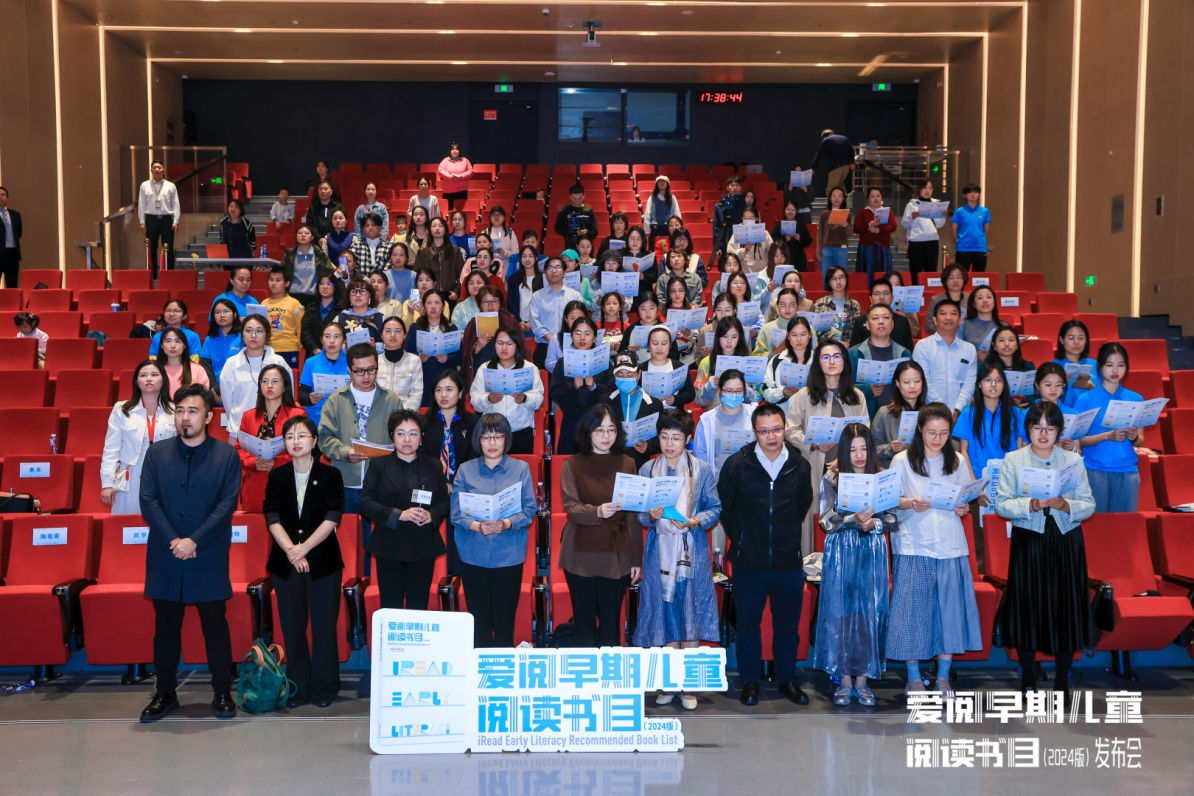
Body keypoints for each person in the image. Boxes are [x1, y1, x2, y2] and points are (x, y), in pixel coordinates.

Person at [137, 384, 241, 722]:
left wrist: (194, 541)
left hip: (207, 552)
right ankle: (164, 693)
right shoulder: (157, 453)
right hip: (166, 553)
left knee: (215, 626)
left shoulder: (226, 456)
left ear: (208, 417)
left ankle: (222, 692)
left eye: (193, 411)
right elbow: (148, 500)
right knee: (165, 628)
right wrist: (174, 540)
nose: (185, 417)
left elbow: (226, 504)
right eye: (180, 410)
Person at [995, 400, 1097, 700]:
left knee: (1066, 609)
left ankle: (1062, 683)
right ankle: (1027, 679)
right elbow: (1002, 504)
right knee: (1028, 608)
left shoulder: (1072, 460)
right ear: (1028, 429)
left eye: (1050, 429)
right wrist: (1031, 504)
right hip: (1030, 540)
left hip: (1066, 540)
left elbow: (1089, 504)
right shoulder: (1014, 459)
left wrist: (1066, 505)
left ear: (1058, 431)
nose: (1043, 434)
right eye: (1037, 428)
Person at [718, 403, 814, 707]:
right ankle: (750, 681)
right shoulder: (737, 464)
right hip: (749, 561)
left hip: (788, 561)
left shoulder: (799, 465)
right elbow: (726, 508)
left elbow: (802, 504)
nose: (771, 436)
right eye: (764, 431)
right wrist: (744, 537)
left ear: (784, 430)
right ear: (754, 432)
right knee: (748, 625)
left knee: (788, 626)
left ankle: (787, 679)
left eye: (776, 430)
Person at [888, 402, 983, 699]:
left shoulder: (956, 460)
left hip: (949, 544)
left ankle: (943, 676)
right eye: (931, 432)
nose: (937, 439)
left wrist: (963, 507)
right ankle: (913, 676)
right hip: (913, 543)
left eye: (943, 433)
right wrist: (909, 503)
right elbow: (888, 499)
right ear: (920, 430)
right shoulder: (902, 460)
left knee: (949, 613)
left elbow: (965, 498)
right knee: (912, 613)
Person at [633, 408, 722, 710]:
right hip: (658, 550)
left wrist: (695, 521)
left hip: (691, 550)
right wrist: (650, 515)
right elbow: (640, 516)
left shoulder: (701, 470)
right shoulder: (648, 470)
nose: (669, 444)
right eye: (664, 437)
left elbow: (715, 508)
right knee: (666, 614)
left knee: (690, 613)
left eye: (676, 438)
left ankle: (689, 686)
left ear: (687, 440)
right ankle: (670, 683)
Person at [262, 415, 344, 708]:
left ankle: (325, 687)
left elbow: (333, 516)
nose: (295, 441)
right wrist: (291, 551)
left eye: (301, 436)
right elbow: (271, 516)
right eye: (289, 437)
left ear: (314, 440)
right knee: (293, 628)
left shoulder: (330, 474)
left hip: (323, 562)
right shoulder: (277, 476)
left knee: (323, 627)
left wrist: (304, 549)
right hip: (286, 564)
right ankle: (297, 686)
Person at [814, 423, 893, 706]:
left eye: (864, 449)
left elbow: (893, 519)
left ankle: (863, 680)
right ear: (844, 452)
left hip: (872, 550)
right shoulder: (833, 477)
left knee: (870, 613)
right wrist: (852, 520)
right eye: (853, 450)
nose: (859, 455)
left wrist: (874, 524)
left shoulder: (882, 477)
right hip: (841, 550)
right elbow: (825, 520)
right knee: (841, 613)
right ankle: (844, 680)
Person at [558, 404, 643, 646]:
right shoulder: (571, 464)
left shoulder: (628, 464)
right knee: (583, 621)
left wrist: (636, 559)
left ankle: (609, 668)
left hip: (616, 553)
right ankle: (586, 668)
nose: (606, 436)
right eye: (599, 430)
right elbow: (572, 508)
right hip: (580, 552)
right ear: (588, 432)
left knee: (611, 622)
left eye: (611, 429)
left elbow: (632, 515)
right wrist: (597, 511)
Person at [318, 342, 406, 572]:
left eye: (371, 370)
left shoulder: (391, 400)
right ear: (349, 370)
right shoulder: (336, 400)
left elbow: (402, 438)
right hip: (345, 482)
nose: (366, 376)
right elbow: (324, 439)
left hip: (380, 484)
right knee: (346, 544)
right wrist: (345, 452)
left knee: (377, 544)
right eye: (359, 371)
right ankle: (348, 583)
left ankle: (372, 584)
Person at [449, 414, 536, 647]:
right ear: (478, 440)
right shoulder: (465, 470)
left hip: (508, 555)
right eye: (486, 437)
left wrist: (505, 523)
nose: (492, 442)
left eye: (498, 436)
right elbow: (456, 515)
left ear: (506, 439)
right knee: (480, 624)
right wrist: (477, 526)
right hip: (473, 554)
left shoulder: (521, 469)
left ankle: (503, 666)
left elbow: (529, 509)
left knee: (505, 623)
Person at [786, 338, 870, 553]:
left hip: (849, 470)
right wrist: (813, 444)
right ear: (817, 363)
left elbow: (864, 432)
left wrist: (844, 460)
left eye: (836, 356)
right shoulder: (804, 396)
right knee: (814, 522)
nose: (831, 361)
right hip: (815, 468)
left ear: (844, 361)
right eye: (825, 357)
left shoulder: (857, 396)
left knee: (849, 522)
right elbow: (790, 430)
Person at [360, 410, 450, 609]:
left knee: (418, 606)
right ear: (392, 436)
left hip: (423, 545)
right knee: (390, 605)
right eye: (400, 433)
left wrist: (432, 515)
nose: (407, 439)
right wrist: (399, 515)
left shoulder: (434, 465)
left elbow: (444, 502)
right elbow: (366, 503)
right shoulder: (379, 465)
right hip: (389, 544)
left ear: (422, 436)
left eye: (413, 433)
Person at [1073, 342, 1145, 513]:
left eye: (1120, 365)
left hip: (1127, 471)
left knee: (1124, 525)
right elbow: (1078, 441)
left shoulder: (1135, 399)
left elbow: (1140, 441)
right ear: (1099, 366)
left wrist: (1134, 436)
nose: (1115, 370)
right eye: (1109, 365)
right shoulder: (1085, 399)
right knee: (1097, 526)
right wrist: (1107, 436)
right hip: (1094, 470)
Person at [100, 360, 177, 515]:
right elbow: (111, 449)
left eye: (154, 374)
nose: (149, 379)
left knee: (163, 523)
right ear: (136, 381)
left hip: (165, 475)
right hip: (131, 476)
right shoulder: (122, 409)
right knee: (128, 525)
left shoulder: (175, 410)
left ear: (163, 379)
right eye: (143, 375)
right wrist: (107, 483)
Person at [234, 364, 307, 513]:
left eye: (275, 381)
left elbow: (303, 450)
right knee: (255, 526)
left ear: (285, 386)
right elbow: (238, 449)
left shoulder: (297, 415)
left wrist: (276, 463)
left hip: (286, 481)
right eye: (265, 381)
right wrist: (254, 462)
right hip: (254, 482)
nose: (269, 385)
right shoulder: (248, 416)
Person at [469, 326, 544, 454]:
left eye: (509, 343)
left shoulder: (529, 368)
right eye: (500, 343)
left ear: (517, 345)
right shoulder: (484, 369)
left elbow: (538, 400)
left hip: (521, 432)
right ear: (494, 345)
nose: (504, 348)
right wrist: (488, 399)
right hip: (492, 433)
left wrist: (525, 398)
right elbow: (475, 401)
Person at [218, 314, 294, 435]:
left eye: (259, 331)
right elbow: (228, 403)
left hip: (275, 431)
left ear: (267, 335)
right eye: (248, 330)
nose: (253, 335)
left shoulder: (278, 362)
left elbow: (289, 397)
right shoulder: (232, 364)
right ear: (242, 334)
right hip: (239, 430)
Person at [549, 316, 612, 455]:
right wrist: (572, 387)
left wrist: (594, 387)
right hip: (571, 421)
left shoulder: (603, 362)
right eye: (577, 333)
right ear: (571, 336)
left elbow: (611, 390)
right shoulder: (563, 363)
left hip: (598, 421)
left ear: (595, 337)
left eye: (587, 333)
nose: (582, 338)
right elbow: (554, 392)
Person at [954, 363, 1025, 484]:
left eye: (998, 380)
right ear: (979, 384)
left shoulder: (1015, 413)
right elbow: (963, 451)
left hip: (1008, 480)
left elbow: (1019, 449)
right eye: (988, 380)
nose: (993, 384)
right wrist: (974, 483)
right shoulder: (968, 413)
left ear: (1004, 384)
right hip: (978, 479)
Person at [913, 298, 977, 418]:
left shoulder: (969, 349)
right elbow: (924, 381)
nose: (948, 317)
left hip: (961, 415)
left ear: (959, 320)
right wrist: (943, 412)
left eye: (953, 314)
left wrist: (957, 410)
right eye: (943, 313)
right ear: (935, 320)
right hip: (931, 413)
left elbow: (969, 383)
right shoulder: (923, 346)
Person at [848, 303, 911, 419]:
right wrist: (868, 389)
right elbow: (843, 387)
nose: (881, 322)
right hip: (866, 416)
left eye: (886, 317)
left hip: (897, 417)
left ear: (892, 324)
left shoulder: (904, 354)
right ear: (868, 325)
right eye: (875, 318)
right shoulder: (854, 354)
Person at [693, 367, 758, 478]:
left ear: (744, 391)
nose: (734, 395)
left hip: (749, 478)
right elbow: (700, 457)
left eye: (738, 391)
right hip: (717, 480)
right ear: (720, 391)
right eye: (729, 390)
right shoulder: (707, 420)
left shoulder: (754, 415)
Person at [605, 353, 663, 469]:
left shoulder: (653, 404)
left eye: (630, 374)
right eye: (620, 374)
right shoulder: (606, 401)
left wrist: (648, 447)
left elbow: (661, 437)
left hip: (640, 463)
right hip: (611, 462)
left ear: (638, 374)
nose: (625, 378)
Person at [406, 289, 460, 408]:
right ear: (424, 306)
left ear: (443, 306)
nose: (433, 306)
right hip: (422, 379)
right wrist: (418, 358)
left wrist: (447, 358)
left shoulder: (451, 329)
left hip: (446, 379)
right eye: (429, 303)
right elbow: (407, 355)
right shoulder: (415, 328)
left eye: (437, 303)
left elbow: (459, 356)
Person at [460, 286, 520, 387]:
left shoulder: (510, 322)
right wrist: (477, 347)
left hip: (507, 371)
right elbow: (465, 357)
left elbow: (521, 350)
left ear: (500, 303)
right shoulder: (473, 325)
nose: (490, 305)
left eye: (494, 301)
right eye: (486, 302)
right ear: (480, 305)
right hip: (480, 372)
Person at [530, 256, 583, 368]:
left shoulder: (575, 296)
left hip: (570, 346)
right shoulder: (537, 296)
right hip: (544, 346)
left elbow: (581, 322)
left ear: (564, 273)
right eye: (550, 267)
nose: (554, 271)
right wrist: (553, 340)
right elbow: (535, 323)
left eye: (558, 267)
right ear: (545, 273)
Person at [298, 320, 349, 428]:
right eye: (327, 337)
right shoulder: (311, 362)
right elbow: (302, 396)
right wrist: (309, 399)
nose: (331, 341)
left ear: (344, 340)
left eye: (336, 337)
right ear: (321, 340)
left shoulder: (351, 362)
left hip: (344, 417)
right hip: (317, 417)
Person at [693, 315, 751, 409]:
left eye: (734, 337)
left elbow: (757, 397)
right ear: (718, 337)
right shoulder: (707, 362)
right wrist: (710, 386)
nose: (729, 341)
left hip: (743, 413)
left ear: (740, 338)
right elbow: (698, 400)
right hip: (715, 413)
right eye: (724, 336)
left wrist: (743, 387)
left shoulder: (748, 363)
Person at [137, 160, 180, 277]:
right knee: (151, 248)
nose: (157, 169)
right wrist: (142, 221)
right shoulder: (144, 185)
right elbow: (141, 204)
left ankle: (169, 275)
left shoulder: (171, 186)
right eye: (154, 167)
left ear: (163, 170)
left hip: (167, 219)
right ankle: (153, 275)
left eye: (159, 167)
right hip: (151, 219)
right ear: (151, 170)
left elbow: (176, 204)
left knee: (168, 248)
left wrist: (176, 221)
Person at [762, 316, 816, 407]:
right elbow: (766, 394)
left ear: (809, 335)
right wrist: (782, 392)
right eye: (794, 335)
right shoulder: (777, 360)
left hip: (812, 411)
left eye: (803, 334)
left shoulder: (818, 360)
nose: (799, 339)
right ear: (788, 336)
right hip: (784, 412)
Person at [849, 276, 915, 350]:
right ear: (870, 299)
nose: (881, 297)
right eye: (877, 294)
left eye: (885, 293)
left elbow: (908, 351)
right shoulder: (860, 322)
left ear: (892, 298)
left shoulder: (902, 321)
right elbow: (854, 351)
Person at [639, 325, 695, 408]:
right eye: (655, 343)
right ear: (648, 345)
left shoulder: (680, 367)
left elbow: (690, 393)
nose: (659, 348)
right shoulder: (640, 369)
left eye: (664, 343)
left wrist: (676, 399)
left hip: (674, 413)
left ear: (670, 345)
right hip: (649, 413)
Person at [902, 178, 945, 283]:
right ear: (919, 189)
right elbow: (904, 224)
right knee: (915, 272)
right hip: (916, 242)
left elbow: (939, 225)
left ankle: (930, 292)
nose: (927, 191)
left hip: (932, 242)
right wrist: (912, 217)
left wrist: (942, 215)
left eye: (930, 188)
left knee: (931, 272)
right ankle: (916, 292)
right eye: (925, 188)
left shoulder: (936, 204)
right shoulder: (912, 204)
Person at [261, 266, 305, 369]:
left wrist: (297, 346)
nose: (273, 283)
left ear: (287, 283)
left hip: (289, 349)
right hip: (268, 350)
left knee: (288, 378)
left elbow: (301, 330)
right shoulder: (263, 303)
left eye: (278, 280)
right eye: (271, 279)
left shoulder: (295, 304)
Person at [376, 317, 423, 410]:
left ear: (404, 335)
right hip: (380, 413)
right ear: (382, 335)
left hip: (406, 415)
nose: (393, 335)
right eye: (388, 331)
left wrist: (402, 415)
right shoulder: (375, 362)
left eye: (398, 331)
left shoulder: (414, 360)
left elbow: (416, 394)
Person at [414, 217, 465, 302]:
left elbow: (462, 273)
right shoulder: (423, 251)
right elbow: (416, 274)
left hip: (449, 295)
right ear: (430, 230)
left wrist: (457, 291)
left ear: (445, 230)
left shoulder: (455, 251)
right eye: (434, 226)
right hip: (429, 295)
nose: (437, 228)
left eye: (440, 226)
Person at [281, 224, 332, 306]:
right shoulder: (289, 255)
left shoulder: (320, 255)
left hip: (314, 297)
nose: (303, 235)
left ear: (312, 237)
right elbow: (282, 275)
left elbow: (329, 273)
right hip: (292, 297)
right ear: (296, 236)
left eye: (306, 233)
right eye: (300, 233)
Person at [852, 188, 897, 281]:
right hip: (866, 248)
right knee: (867, 275)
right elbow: (856, 228)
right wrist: (869, 225)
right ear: (868, 199)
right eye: (872, 196)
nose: (876, 198)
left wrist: (879, 230)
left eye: (878, 196)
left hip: (883, 248)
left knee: (883, 275)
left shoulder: (888, 211)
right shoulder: (862, 212)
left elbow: (893, 226)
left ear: (881, 198)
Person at [987, 322, 1035, 408]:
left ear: (1017, 345)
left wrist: (1022, 399)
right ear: (994, 346)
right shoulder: (985, 367)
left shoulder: (1028, 366)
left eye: (1011, 340)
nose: (1006, 344)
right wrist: (1009, 401)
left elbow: (1034, 396)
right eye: (1001, 340)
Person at [1052, 319, 1098, 409]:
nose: (1076, 342)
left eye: (1081, 338)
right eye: (1071, 338)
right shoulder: (1052, 367)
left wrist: (1092, 388)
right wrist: (1065, 385)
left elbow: (1106, 395)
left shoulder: (1096, 365)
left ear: (1086, 340)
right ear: (1062, 340)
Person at [1032, 363, 1079, 452]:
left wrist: (1072, 448)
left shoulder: (1073, 414)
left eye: (1058, 385)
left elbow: (1078, 451)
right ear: (1037, 385)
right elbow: (1022, 447)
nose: (1053, 389)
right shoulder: (1026, 414)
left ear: (1064, 385)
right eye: (1048, 385)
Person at [813, 265, 862, 344]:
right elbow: (819, 331)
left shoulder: (855, 305)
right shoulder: (820, 304)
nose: (838, 281)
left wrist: (847, 344)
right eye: (834, 278)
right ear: (829, 282)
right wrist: (838, 344)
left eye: (841, 277)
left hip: (849, 347)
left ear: (846, 280)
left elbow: (857, 331)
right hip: (826, 346)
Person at [199, 299, 243, 385]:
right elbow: (207, 367)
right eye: (218, 312)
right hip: (215, 386)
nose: (222, 315)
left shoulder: (243, 338)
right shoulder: (209, 340)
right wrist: (214, 387)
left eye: (226, 311)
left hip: (239, 385)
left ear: (234, 315)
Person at [300, 274, 345, 357]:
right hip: (313, 354)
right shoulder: (311, 307)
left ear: (335, 287)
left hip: (336, 354)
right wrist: (315, 349)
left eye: (329, 284)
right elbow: (304, 332)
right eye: (322, 283)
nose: (325, 287)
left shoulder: (341, 309)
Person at [752, 287, 803, 359]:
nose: (787, 309)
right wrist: (773, 353)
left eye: (792, 305)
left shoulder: (807, 329)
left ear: (797, 306)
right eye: (783, 305)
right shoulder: (766, 329)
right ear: (777, 306)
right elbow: (756, 357)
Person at [156, 328, 209, 397]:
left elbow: (204, 396)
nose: (173, 346)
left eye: (177, 341)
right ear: (162, 345)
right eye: (168, 341)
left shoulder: (198, 369)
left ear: (184, 346)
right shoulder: (155, 369)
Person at [951, 183, 991, 272]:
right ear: (965, 195)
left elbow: (986, 229)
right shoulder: (959, 211)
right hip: (963, 248)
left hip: (980, 248)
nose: (973, 195)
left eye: (976, 192)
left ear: (979, 194)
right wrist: (958, 241)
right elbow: (954, 230)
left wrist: (980, 239)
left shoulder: (984, 211)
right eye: (970, 192)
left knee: (979, 276)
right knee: (962, 275)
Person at [335, 277, 385, 344]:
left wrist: (375, 347)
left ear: (370, 295)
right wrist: (345, 346)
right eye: (354, 292)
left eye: (362, 291)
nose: (358, 295)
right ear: (349, 296)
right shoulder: (339, 319)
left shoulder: (381, 318)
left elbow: (389, 345)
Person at [925, 264, 970, 334]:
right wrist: (946, 331)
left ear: (964, 280)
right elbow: (929, 325)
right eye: (951, 278)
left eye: (959, 277)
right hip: (944, 337)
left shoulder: (970, 298)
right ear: (945, 281)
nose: (955, 281)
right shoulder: (936, 300)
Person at [726, 207, 773, 275]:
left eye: (751, 218)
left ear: (756, 218)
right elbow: (730, 253)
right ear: (742, 218)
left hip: (761, 274)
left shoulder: (764, 233)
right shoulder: (738, 233)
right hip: (742, 274)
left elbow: (772, 252)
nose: (748, 221)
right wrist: (744, 250)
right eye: (745, 218)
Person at [816, 187, 851, 275]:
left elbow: (849, 233)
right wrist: (818, 251)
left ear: (843, 199)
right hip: (826, 249)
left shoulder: (847, 214)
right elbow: (820, 234)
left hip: (841, 249)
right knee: (826, 276)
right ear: (830, 198)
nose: (836, 199)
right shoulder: (824, 214)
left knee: (841, 275)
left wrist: (846, 225)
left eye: (839, 196)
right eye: (834, 196)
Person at [554, 183, 599, 250]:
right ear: (570, 197)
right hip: (570, 246)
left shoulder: (589, 211)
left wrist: (586, 233)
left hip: (586, 247)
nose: (577, 201)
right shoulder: (564, 211)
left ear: (583, 197)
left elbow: (595, 231)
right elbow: (558, 228)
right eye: (574, 199)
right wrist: (573, 232)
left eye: (580, 199)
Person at [811, 128, 854, 198]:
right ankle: (845, 202)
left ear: (824, 136)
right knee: (840, 185)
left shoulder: (826, 140)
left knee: (830, 189)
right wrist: (852, 162)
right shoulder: (844, 138)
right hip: (846, 167)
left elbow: (819, 155)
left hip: (836, 168)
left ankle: (830, 204)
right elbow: (851, 150)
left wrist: (813, 168)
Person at [771, 200, 813, 271]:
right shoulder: (779, 226)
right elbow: (773, 241)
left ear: (796, 211)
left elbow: (808, 241)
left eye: (793, 209)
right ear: (784, 211)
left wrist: (799, 238)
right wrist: (784, 240)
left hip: (799, 258)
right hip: (783, 257)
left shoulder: (801, 225)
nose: (790, 212)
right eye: (788, 209)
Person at [349, 213, 393, 278]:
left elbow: (389, 270)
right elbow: (352, 268)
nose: (370, 228)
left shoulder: (388, 248)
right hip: (360, 282)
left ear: (380, 227)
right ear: (363, 229)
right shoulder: (356, 246)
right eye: (367, 225)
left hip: (383, 283)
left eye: (374, 225)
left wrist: (377, 281)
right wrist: (364, 279)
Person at [961, 285, 1001, 355]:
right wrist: (975, 356)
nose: (985, 301)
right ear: (973, 304)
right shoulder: (963, 325)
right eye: (980, 298)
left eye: (988, 297)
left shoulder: (1003, 326)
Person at [642, 176, 682, 245]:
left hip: (668, 229)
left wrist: (678, 229)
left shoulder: (672, 198)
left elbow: (676, 213)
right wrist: (647, 230)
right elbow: (647, 213)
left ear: (667, 184)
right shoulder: (652, 197)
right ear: (656, 185)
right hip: (655, 229)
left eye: (664, 181)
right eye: (659, 182)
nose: (662, 183)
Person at [712, 175, 746, 254]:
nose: (735, 188)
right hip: (725, 242)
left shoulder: (746, 206)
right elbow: (716, 228)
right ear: (727, 188)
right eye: (732, 185)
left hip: (742, 242)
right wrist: (718, 247)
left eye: (737, 185)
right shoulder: (719, 206)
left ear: (741, 188)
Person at [438, 142, 474, 211]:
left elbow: (471, 172)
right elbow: (440, 170)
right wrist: (450, 176)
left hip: (461, 191)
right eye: (452, 149)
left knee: (460, 213)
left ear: (459, 151)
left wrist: (460, 176)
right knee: (449, 212)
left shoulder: (465, 161)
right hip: (448, 192)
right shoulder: (445, 160)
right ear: (450, 152)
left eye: (456, 149)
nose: (454, 151)